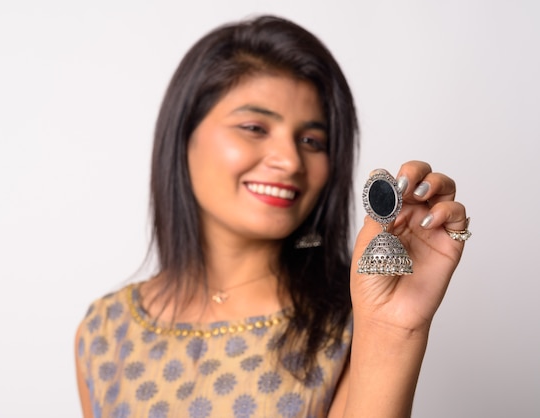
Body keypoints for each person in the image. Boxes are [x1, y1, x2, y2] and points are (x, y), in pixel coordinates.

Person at [75, 15, 470, 418]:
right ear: (183, 136)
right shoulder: (106, 332)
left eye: (311, 140)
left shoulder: (354, 321)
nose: (290, 160)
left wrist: (393, 330)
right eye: (254, 127)